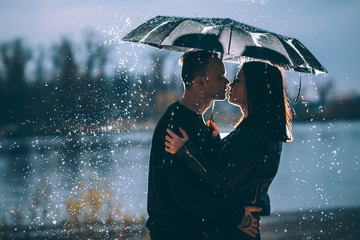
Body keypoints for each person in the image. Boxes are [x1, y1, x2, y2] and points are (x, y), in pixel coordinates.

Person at [165, 61, 293, 239]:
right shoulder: (259, 131)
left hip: (235, 230)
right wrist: (217, 141)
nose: (230, 84)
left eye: (238, 81)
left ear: (254, 89)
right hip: (237, 227)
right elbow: (238, 170)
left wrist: (186, 152)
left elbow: (222, 181)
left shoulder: (254, 134)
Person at [146, 50, 262, 240]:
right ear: (200, 82)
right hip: (174, 233)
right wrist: (236, 216)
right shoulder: (175, 124)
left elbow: (208, 176)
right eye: (220, 77)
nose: (227, 82)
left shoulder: (196, 121)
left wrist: (214, 143)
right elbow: (185, 193)